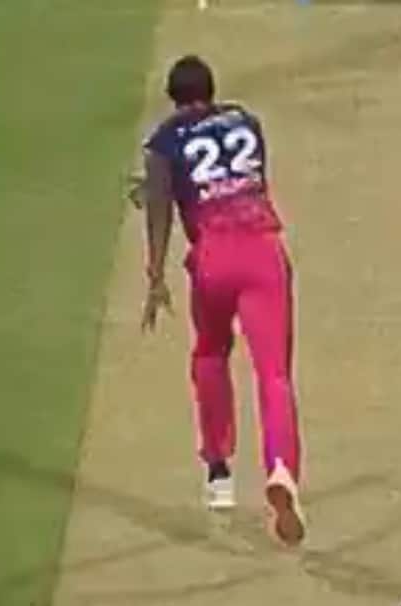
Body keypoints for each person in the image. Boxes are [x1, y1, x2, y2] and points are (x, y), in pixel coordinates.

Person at [137, 55, 305, 546]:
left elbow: (161, 208)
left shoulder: (164, 140)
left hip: (213, 256)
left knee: (210, 355)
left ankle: (218, 472)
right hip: (263, 250)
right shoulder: (246, 121)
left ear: (173, 98)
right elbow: (240, 182)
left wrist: (155, 276)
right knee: (274, 375)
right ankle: (281, 468)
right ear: (211, 90)